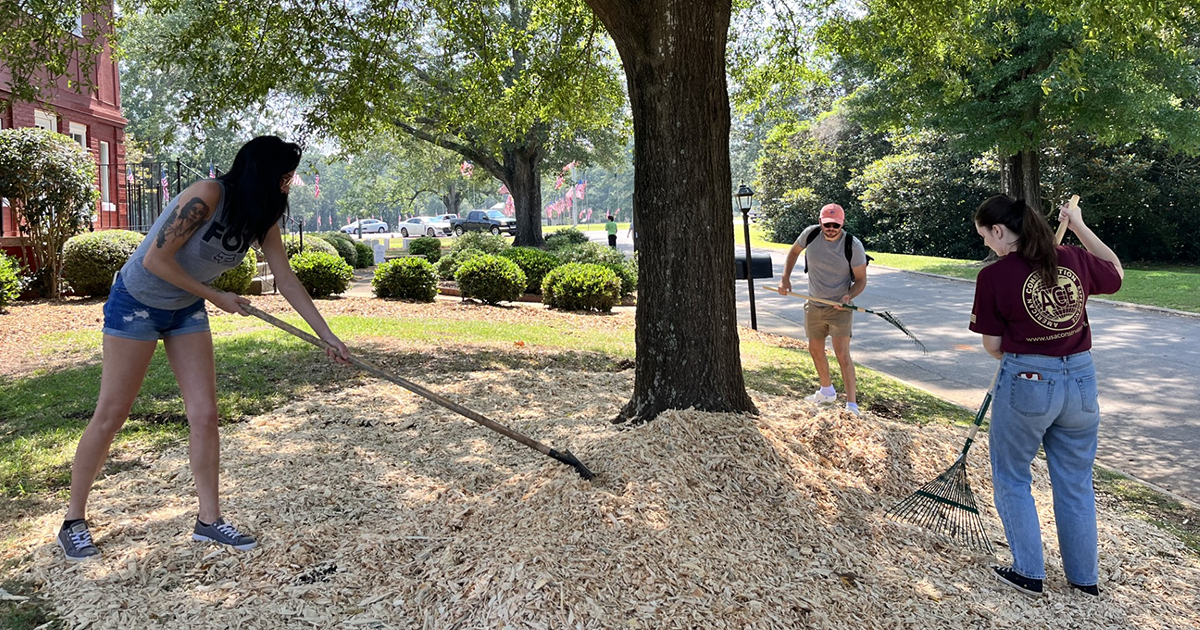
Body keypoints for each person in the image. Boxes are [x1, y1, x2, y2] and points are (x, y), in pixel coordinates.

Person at [57, 136, 351, 561]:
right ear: (263, 172)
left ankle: (208, 521)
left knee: (205, 413)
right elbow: (154, 261)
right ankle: (73, 521)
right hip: (137, 302)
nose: (288, 184)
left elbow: (286, 279)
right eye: (285, 175)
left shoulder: (261, 216)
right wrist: (217, 297)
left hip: (185, 307)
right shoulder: (207, 195)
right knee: (112, 413)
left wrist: (327, 335)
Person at [970, 195, 1123, 597]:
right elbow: (1116, 271)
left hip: (1029, 379)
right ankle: (1084, 580)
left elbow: (992, 345)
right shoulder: (1072, 258)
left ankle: (1029, 572)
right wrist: (1080, 227)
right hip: (1082, 379)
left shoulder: (994, 276)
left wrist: (1024, 355)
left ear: (999, 231)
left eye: (985, 235)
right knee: (1075, 482)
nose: (985, 243)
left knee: (1012, 475)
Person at [778, 203, 868, 416]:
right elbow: (794, 251)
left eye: (835, 225)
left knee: (842, 354)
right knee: (815, 349)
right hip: (814, 303)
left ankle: (852, 405)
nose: (831, 229)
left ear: (842, 224)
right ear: (820, 222)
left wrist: (849, 296)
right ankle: (827, 391)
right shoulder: (810, 235)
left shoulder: (853, 245)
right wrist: (785, 278)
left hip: (840, 307)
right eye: (827, 224)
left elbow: (861, 280)